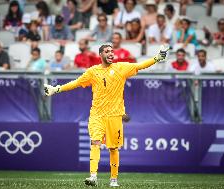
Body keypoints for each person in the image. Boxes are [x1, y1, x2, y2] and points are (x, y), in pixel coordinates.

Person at [43, 44, 169, 187]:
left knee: (113, 148)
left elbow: (140, 65)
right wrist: (56, 89)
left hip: (115, 116)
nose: (110, 53)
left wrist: (157, 58)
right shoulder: (93, 71)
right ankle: (93, 176)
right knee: (95, 142)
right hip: (96, 115)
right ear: (100, 55)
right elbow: (77, 83)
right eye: (107, 51)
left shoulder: (121, 68)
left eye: (112, 51)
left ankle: (113, 179)